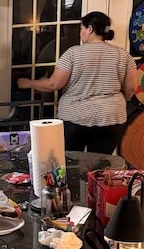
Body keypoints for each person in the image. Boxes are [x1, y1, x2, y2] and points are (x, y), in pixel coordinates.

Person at [17, 11, 137, 153]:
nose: (80, 33)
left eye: (82, 29)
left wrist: (27, 83)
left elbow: (54, 84)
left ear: (90, 29)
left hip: (76, 116)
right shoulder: (123, 55)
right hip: (111, 116)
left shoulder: (73, 53)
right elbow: (131, 88)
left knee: (71, 161)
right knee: (101, 163)